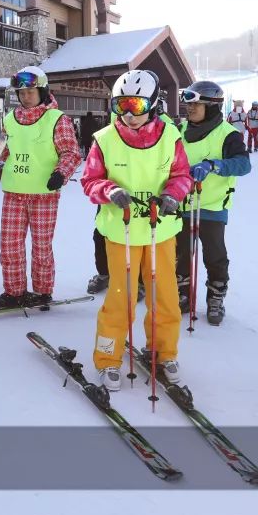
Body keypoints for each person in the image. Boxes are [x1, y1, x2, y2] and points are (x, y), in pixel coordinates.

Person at [82, 70, 192, 388]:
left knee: (165, 295)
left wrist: (174, 194)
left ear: (154, 103)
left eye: (137, 105)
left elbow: (182, 174)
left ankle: (163, 351)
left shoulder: (171, 137)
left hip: (160, 228)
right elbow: (89, 181)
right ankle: (107, 358)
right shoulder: (104, 140)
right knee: (121, 297)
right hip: (122, 231)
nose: (129, 114)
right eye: (122, 105)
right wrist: (109, 191)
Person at [0, 66, 80, 308]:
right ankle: (14, 292)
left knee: (41, 247)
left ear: (42, 91)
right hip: (14, 192)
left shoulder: (57, 119)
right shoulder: (10, 120)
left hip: (44, 194)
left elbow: (71, 152)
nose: (25, 96)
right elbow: (4, 151)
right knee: (10, 246)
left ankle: (42, 291)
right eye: (21, 92)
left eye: (31, 91)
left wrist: (61, 173)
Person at [174, 81, 251, 324]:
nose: (190, 108)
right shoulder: (180, 130)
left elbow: (243, 165)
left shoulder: (228, 134)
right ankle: (183, 294)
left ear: (211, 105)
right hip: (183, 205)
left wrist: (214, 165)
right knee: (181, 254)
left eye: (196, 103)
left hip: (212, 206)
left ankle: (215, 298)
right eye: (189, 103)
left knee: (215, 256)